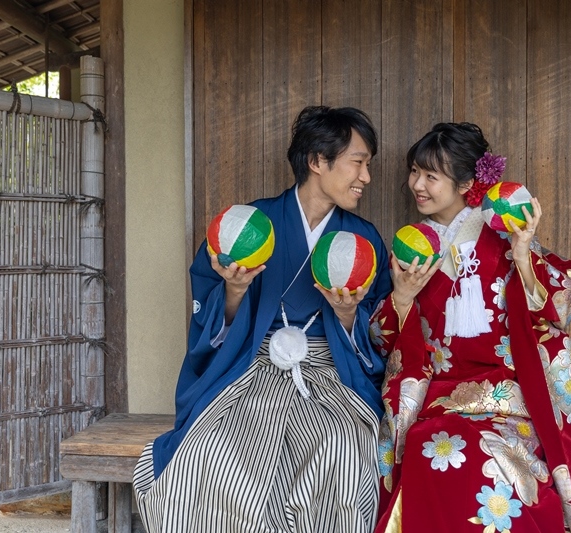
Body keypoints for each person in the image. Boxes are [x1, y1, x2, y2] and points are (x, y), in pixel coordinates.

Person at [133, 106, 393, 532]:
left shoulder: (362, 239)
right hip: (251, 364)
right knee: (210, 450)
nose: (365, 176)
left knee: (343, 448)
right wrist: (234, 291)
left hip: (331, 370)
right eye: (358, 162)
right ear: (317, 161)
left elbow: (379, 328)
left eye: (368, 165)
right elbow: (210, 314)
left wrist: (348, 316)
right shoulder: (248, 226)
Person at [371, 122, 571, 532]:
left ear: (467, 184)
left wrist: (523, 254)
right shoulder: (414, 247)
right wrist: (403, 299)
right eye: (414, 172)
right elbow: (381, 338)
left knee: (483, 458)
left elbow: (566, 302)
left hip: (508, 403)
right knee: (434, 450)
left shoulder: (503, 237)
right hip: (438, 403)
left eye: (431, 176)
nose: (417, 185)